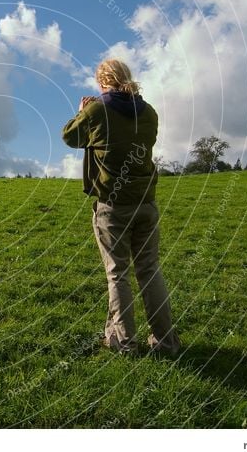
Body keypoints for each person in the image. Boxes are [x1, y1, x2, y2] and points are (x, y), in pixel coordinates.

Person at [62, 58, 181, 357]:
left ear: (103, 80)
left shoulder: (97, 109)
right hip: (146, 202)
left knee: (118, 274)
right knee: (150, 271)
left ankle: (124, 343)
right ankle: (166, 342)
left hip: (113, 205)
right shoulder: (149, 112)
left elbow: (70, 137)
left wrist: (82, 111)